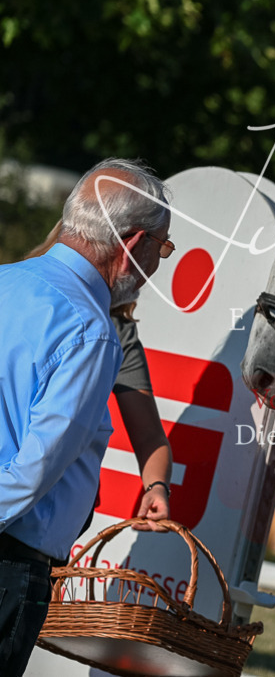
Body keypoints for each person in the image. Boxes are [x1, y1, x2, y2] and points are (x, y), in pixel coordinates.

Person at [0, 158, 171, 675]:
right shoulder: (92, 331)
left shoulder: (6, 280)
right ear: (133, 244)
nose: (160, 260)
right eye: (163, 247)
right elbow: (36, 470)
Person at [24, 226, 175, 533]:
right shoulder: (16, 290)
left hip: (52, 522)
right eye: (157, 247)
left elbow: (149, 435)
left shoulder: (116, 327)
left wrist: (156, 487)